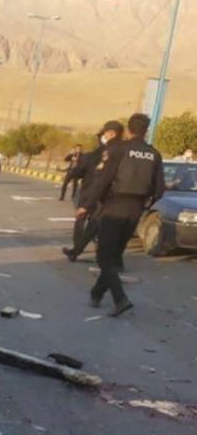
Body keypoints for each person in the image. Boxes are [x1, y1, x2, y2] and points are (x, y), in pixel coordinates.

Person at [78, 113, 164, 317]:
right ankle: (97, 293)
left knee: (103, 256)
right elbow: (159, 190)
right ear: (147, 130)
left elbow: (103, 180)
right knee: (113, 255)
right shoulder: (154, 154)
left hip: (115, 206)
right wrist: (146, 203)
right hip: (136, 210)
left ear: (129, 129)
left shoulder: (120, 150)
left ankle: (120, 299)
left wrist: (87, 206)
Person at [63, 121, 124, 262]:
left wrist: (75, 172)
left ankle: (77, 247)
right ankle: (82, 249)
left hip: (91, 193)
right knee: (96, 224)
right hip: (110, 196)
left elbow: (82, 173)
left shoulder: (97, 154)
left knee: (82, 219)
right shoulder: (123, 150)